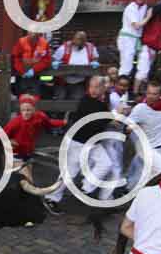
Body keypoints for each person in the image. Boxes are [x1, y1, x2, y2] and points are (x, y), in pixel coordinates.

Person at [44, 76, 113, 214]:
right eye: (91, 87)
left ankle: (85, 188)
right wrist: (110, 118)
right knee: (69, 172)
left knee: (106, 163)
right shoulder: (86, 101)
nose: (93, 90)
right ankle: (51, 198)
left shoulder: (102, 102)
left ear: (103, 88)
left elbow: (103, 119)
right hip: (78, 142)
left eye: (97, 87)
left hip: (93, 143)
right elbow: (96, 123)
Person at [0, 94, 66, 180]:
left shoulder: (40, 117)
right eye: (23, 110)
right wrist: (9, 141)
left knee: (26, 178)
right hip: (16, 154)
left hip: (28, 153)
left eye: (28, 110)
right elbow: (2, 135)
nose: (25, 113)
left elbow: (49, 123)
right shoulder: (15, 122)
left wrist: (63, 122)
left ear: (34, 109)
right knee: (27, 179)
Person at [117, 0, 151, 81]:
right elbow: (136, 25)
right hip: (127, 38)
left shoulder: (145, 7)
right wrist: (149, 17)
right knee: (126, 66)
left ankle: (138, 86)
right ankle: (121, 88)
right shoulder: (131, 7)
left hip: (138, 39)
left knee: (144, 65)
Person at [52, 31, 100, 100]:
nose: (77, 43)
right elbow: (54, 59)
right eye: (76, 40)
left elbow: (95, 58)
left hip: (80, 82)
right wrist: (56, 62)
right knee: (60, 100)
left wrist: (94, 62)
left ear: (84, 41)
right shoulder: (64, 47)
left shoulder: (90, 48)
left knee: (77, 101)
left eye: (80, 41)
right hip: (62, 81)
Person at [11, 31, 51, 96]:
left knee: (35, 95)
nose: (32, 34)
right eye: (30, 32)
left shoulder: (44, 43)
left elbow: (46, 60)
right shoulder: (21, 41)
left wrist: (34, 70)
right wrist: (22, 70)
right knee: (21, 94)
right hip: (22, 74)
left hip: (37, 74)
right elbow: (15, 58)